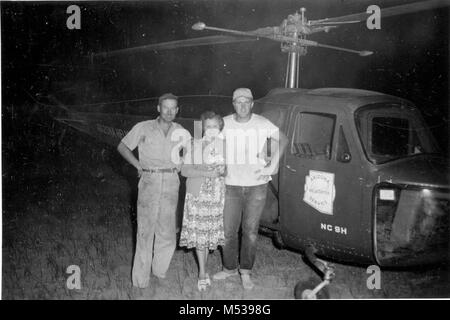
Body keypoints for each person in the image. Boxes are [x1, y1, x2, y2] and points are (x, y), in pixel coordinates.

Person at [213, 88, 288, 290]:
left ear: (252, 104)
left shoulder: (262, 123)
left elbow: (284, 140)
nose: (243, 105)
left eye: (247, 101)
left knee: (251, 232)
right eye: (239, 101)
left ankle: (245, 271)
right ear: (233, 103)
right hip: (230, 186)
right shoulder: (224, 123)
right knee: (228, 231)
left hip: (256, 186)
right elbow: (213, 147)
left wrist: (272, 165)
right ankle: (229, 268)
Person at [117, 93, 191, 289]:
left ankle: (160, 271)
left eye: (173, 108)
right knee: (145, 231)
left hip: (171, 182)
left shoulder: (181, 131)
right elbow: (123, 147)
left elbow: (192, 151)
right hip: (149, 180)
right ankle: (140, 281)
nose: (169, 111)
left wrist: (182, 163)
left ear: (177, 110)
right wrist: (137, 165)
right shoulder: (143, 127)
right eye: (165, 107)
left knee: (167, 230)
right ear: (158, 108)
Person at [179, 111, 226, 291]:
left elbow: (227, 171)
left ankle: (204, 270)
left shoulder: (224, 146)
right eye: (208, 126)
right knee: (199, 236)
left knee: (207, 236)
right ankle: (202, 273)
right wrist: (206, 172)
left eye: (215, 126)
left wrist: (222, 170)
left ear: (219, 127)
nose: (212, 129)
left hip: (216, 196)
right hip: (198, 195)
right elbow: (184, 170)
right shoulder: (194, 145)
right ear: (203, 127)